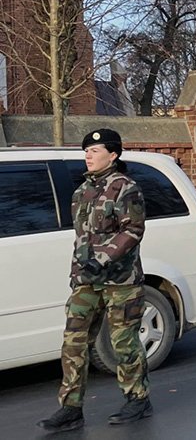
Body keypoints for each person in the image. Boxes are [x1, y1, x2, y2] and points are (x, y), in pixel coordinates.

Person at [39, 129, 152, 432]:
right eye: (86, 150)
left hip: (121, 281)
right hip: (87, 281)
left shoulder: (126, 188)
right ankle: (71, 408)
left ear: (113, 154)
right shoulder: (82, 192)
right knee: (73, 342)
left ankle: (138, 399)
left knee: (123, 343)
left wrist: (102, 258)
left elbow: (132, 231)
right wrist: (77, 273)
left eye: (95, 150)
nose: (88, 155)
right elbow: (81, 238)